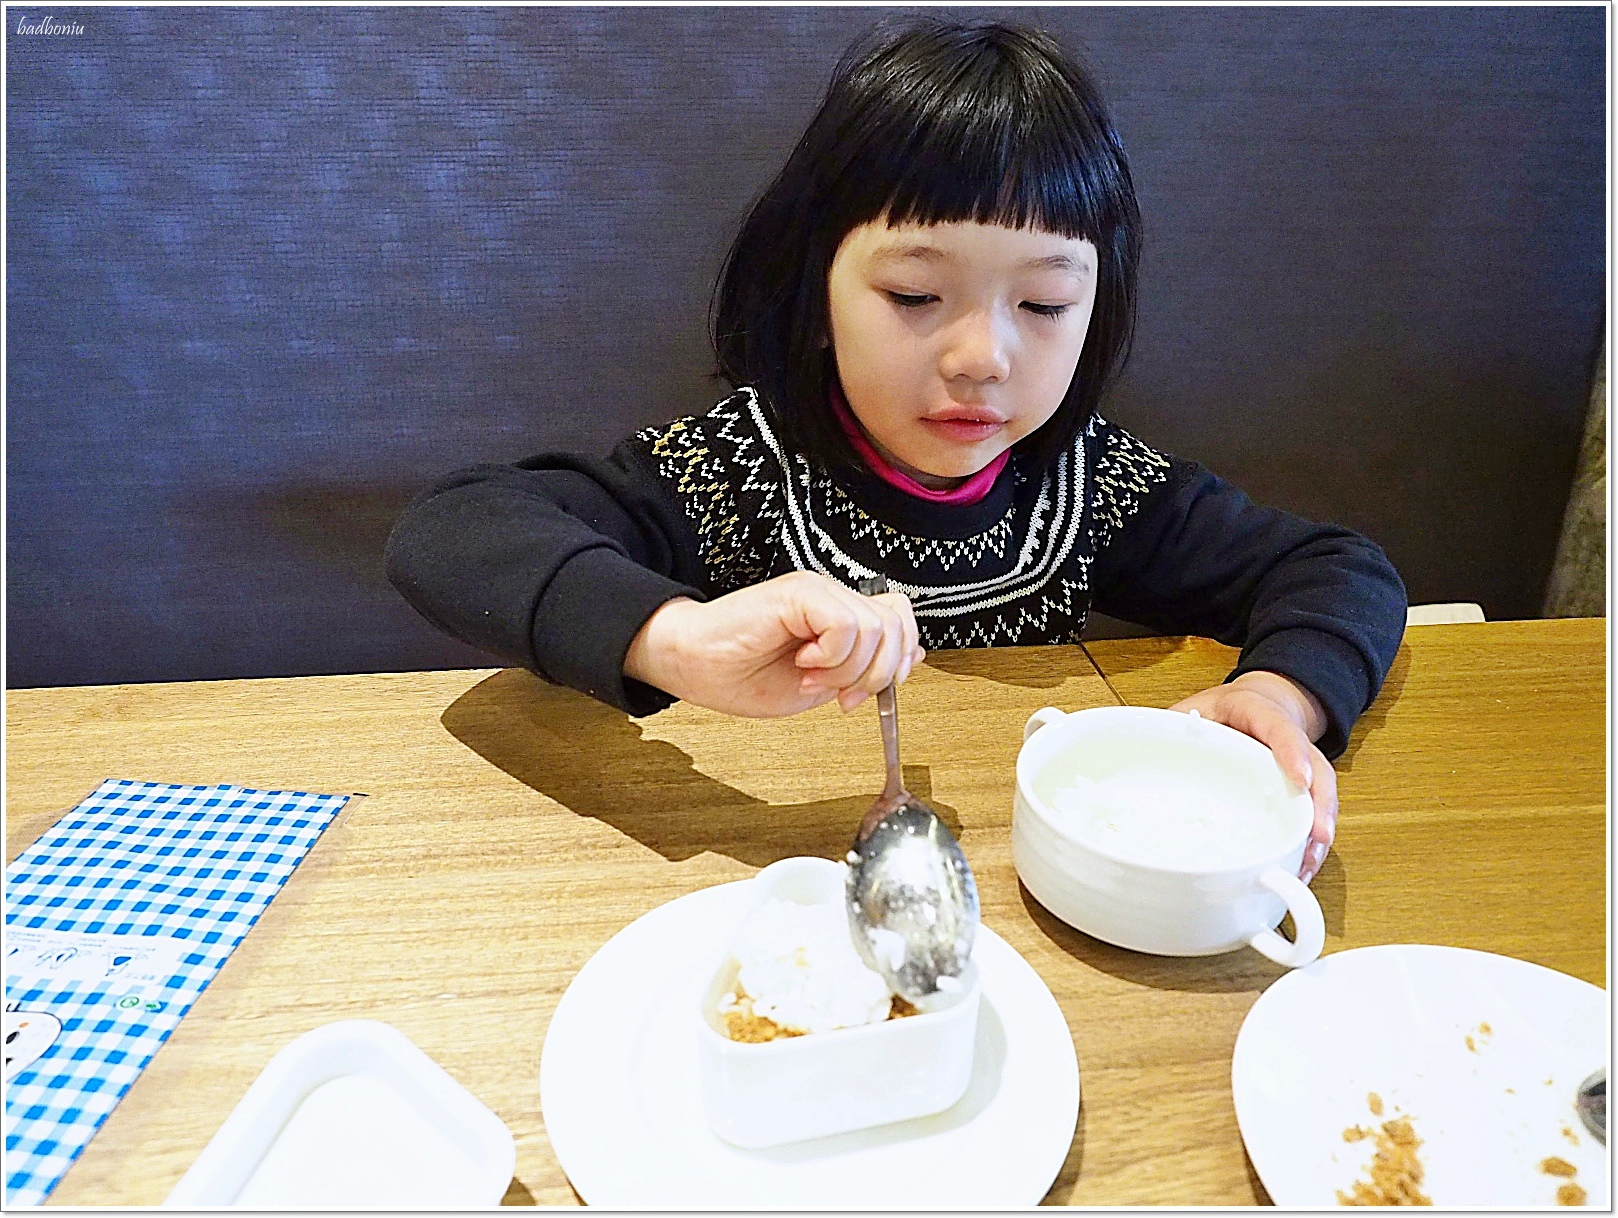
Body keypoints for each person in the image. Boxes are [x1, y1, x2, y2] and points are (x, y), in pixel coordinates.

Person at [385, 19, 1406, 884]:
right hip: (748, 879)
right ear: (816, 292)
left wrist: (1277, 696)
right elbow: (451, 531)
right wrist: (674, 640)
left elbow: (1337, 568)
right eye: (915, 295)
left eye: (1044, 303)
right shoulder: (735, 471)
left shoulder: (1088, 485)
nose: (981, 358)